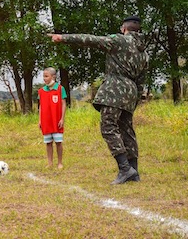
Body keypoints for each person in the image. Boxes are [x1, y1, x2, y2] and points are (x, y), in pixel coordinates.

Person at [47, 16, 148, 185]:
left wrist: (63, 38)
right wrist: (134, 99)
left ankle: (125, 168)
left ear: (124, 29)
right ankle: (134, 171)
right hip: (130, 92)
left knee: (108, 126)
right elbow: (141, 81)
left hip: (114, 89)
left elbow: (90, 40)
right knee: (127, 130)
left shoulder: (119, 41)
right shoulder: (143, 52)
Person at [38, 67, 67, 169]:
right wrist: (40, 120)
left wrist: (62, 118)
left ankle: (60, 163)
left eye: (46, 76)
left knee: (58, 142)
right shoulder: (41, 91)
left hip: (57, 120)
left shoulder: (60, 89)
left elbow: (63, 104)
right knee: (48, 143)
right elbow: (41, 106)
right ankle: (50, 163)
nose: (44, 78)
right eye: (43, 76)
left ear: (53, 76)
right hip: (46, 121)